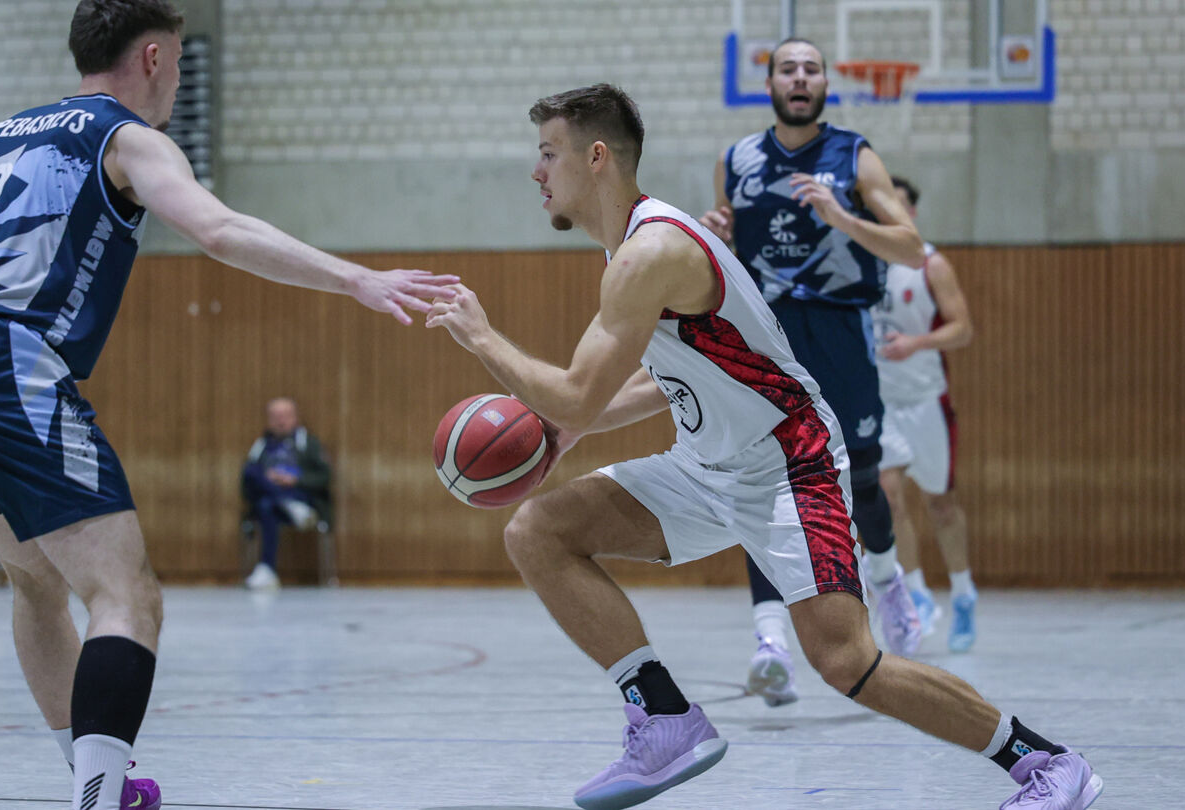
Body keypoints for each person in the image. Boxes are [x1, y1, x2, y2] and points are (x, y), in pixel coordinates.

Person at [427, 83, 1103, 810]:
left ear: (596, 157)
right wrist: (568, 432)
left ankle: (1044, 763)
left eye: (547, 153)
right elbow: (665, 385)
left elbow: (573, 391)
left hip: (790, 464)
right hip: (710, 464)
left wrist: (483, 337)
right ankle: (663, 718)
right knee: (540, 530)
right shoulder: (630, 249)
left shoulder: (650, 252)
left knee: (847, 662)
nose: (537, 172)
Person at [0, 3, 457, 809]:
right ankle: (99, 799)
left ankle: (99, 781)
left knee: (35, 580)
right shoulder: (127, 137)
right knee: (125, 593)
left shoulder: (1, 135)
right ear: (159, 57)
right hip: (1, 357)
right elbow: (218, 229)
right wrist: (355, 278)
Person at [698, 37, 924, 707]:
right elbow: (730, 249)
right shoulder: (736, 159)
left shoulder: (854, 154)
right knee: (762, 484)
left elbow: (910, 246)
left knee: (862, 477)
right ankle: (771, 644)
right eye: (788, 68)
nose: (800, 78)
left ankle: (886, 579)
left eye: (812, 68)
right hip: (767, 340)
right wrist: (716, 230)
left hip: (840, 333)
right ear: (768, 83)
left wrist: (841, 216)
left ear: (826, 83)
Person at [872, 176, 980, 652]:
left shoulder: (931, 264)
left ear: (910, 214)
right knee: (888, 499)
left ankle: (963, 594)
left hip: (925, 399)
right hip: (880, 404)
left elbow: (963, 329)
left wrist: (917, 343)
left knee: (941, 504)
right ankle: (914, 593)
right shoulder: (860, 265)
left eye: (897, 205)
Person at [240, 397, 333, 589]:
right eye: (275, 417)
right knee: (257, 485)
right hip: (274, 505)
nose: (281, 421)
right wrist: (270, 479)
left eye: (285, 416)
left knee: (267, 504)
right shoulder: (262, 445)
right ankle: (267, 569)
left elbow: (324, 476)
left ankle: (266, 568)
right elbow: (247, 482)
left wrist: (295, 480)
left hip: (304, 500)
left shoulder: (308, 443)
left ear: (295, 417)